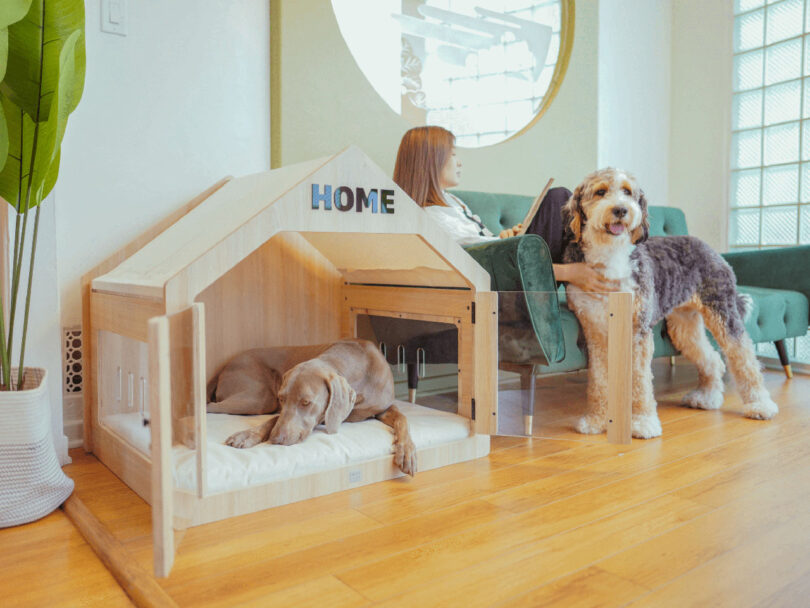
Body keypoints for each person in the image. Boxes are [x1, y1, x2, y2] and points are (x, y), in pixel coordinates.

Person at [393, 126, 618, 293]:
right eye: (452, 154)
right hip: (501, 286)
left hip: (505, 269)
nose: (459, 162)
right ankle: (609, 265)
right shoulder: (429, 216)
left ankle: (610, 259)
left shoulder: (451, 201)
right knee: (558, 199)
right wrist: (568, 272)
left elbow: (480, 244)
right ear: (431, 160)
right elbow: (475, 263)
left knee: (558, 199)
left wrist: (503, 238)